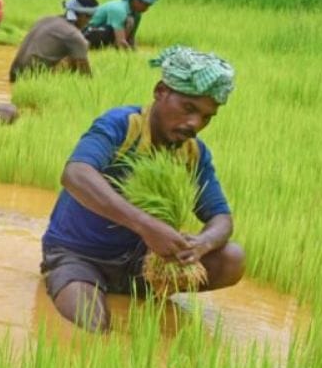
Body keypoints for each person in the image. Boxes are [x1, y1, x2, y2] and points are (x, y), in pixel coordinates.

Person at [40, 46, 245, 332]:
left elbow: (221, 218)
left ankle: (147, 293)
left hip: (143, 264)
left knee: (232, 259)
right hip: (80, 255)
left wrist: (202, 244)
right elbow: (75, 174)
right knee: (92, 324)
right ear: (161, 91)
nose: (195, 124)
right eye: (189, 108)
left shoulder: (192, 153)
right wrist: (146, 226)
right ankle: (66, 280)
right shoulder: (122, 126)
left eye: (207, 117)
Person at [9, 0, 99, 82]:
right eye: (90, 17)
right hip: (31, 79)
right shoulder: (74, 35)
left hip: (13, 75)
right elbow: (86, 76)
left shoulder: (44, 19)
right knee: (74, 57)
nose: (89, 22)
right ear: (84, 16)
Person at [84, 0, 159, 50]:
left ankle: (111, 48)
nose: (147, 9)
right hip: (87, 31)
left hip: (104, 32)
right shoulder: (119, 9)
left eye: (149, 6)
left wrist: (135, 50)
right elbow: (120, 41)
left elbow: (130, 39)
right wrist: (128, 52)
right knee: (127, 22)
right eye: (145, 5)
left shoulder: (136, 14)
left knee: (130, 21)